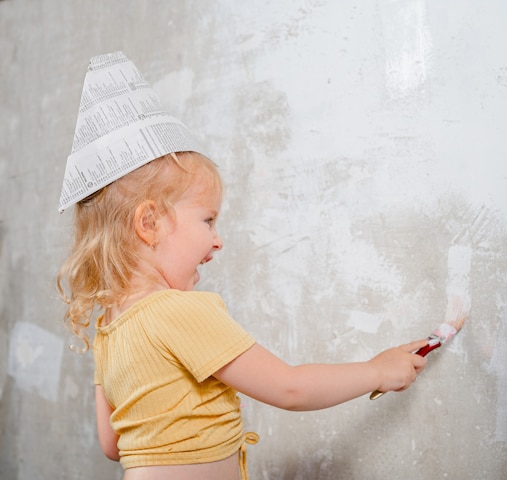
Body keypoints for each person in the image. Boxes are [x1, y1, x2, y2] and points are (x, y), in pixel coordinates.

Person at [57, 52, 428, 480]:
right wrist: (377, 370)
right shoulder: (180, 311)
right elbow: (290, 388)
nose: (218, 239)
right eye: (208, 220)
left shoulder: (110, 326)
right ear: (150, 222)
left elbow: (112, 444)